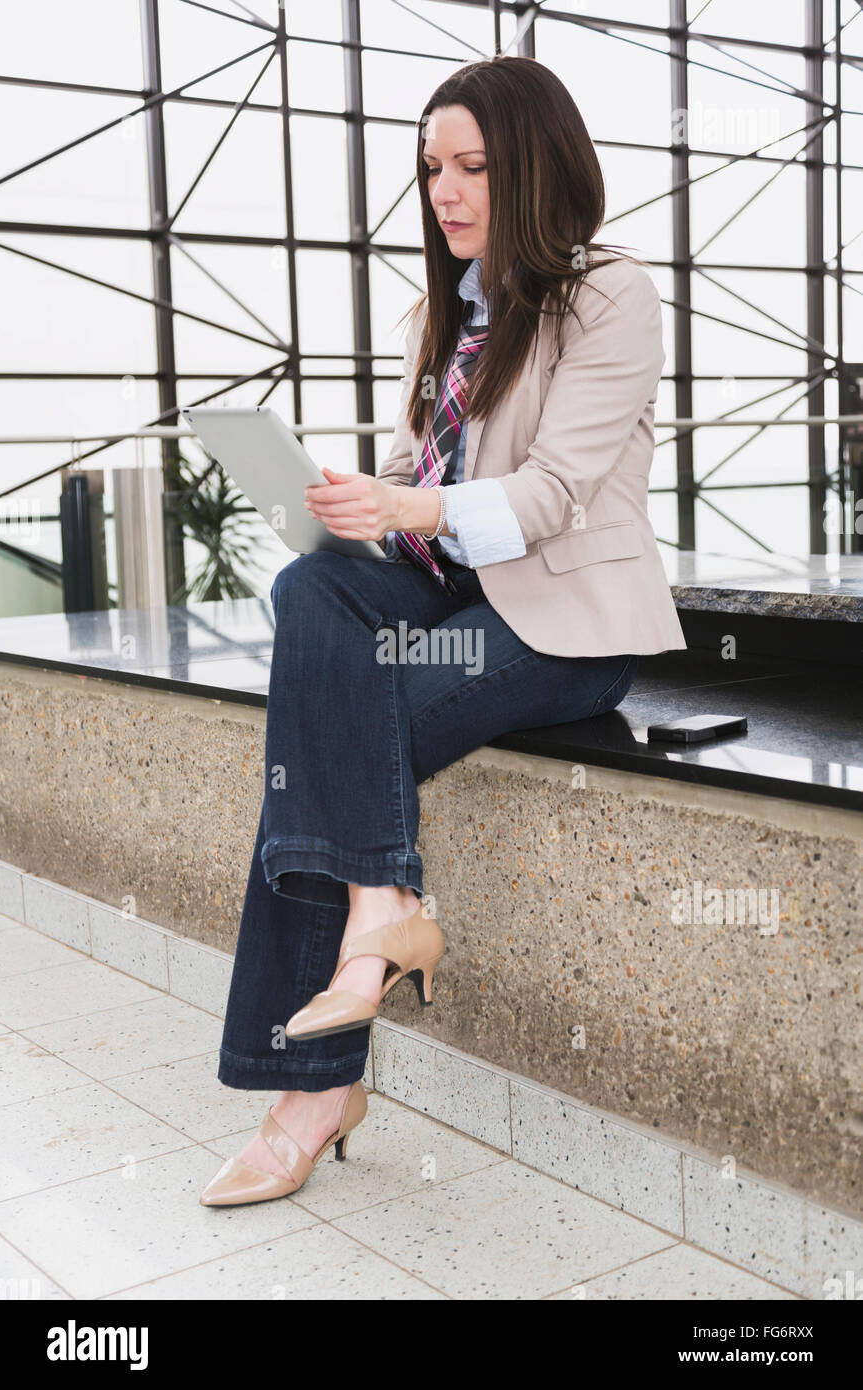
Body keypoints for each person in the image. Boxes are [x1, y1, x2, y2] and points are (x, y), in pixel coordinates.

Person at [200, 55, 686, 1207]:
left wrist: (414, 503)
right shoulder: (445, 311)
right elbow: (443, 481)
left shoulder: (610, 294)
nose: (445, 190)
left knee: (317, 748)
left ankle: (314, 1089)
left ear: (534, 164)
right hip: (456, 594)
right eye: (430, 169)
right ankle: (382, 910)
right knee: (309, 592)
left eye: (470, 164)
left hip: (561, 623)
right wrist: (371, 494)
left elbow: (550, 493)